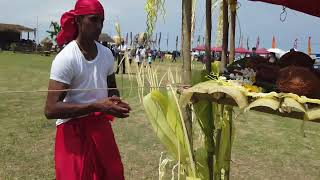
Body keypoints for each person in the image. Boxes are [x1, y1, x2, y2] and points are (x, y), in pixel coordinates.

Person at [44, 1, 131, 179]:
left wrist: (116, 103)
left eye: (101, 21)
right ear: (78, 20)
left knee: (112, 174)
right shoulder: (66, 58)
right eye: (93, 20)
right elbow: (50, 110)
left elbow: (112, 90)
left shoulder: (106, 54)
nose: (98, 26)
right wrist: (97, 106)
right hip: (72, 131)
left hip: (100, 127)